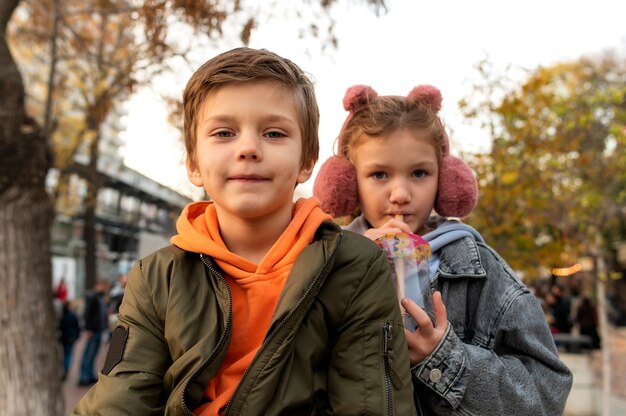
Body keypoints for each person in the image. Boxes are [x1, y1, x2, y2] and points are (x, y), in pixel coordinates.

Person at [73, 48, 415, 415]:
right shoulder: (156, 279)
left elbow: (370, 406)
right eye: (224, 133)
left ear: (307, 160)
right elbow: (119, 402)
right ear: (193, 164)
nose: (249, 148)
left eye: (273, 133)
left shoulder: (355, 267)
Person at [313, 84, 573, 415]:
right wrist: (347, 272)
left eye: (419, 173)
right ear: (350, 182)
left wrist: (443, 357)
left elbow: (547, 392)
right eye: (379, 174)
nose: (400, 194)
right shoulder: (326, 262)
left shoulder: (479, 269)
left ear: (445, 181)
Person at [78, 278, 109, 386]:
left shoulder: (100, 297)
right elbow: (87, 314)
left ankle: (89, 375)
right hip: (93, 330)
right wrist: (88, 329)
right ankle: (83, 377)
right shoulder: (92, 297)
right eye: (105, 286)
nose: (106, 289)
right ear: (100, 285)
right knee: (88, 354)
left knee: (93, 353)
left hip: (98, 329)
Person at [59, 299, 81, 381]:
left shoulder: (63, 315)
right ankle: (66, 369)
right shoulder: (72, 315)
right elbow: (77, 326)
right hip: (70, 337)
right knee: (68, 355)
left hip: (65, 338)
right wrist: (77, 336)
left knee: (66, 354)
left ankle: (65, 369)